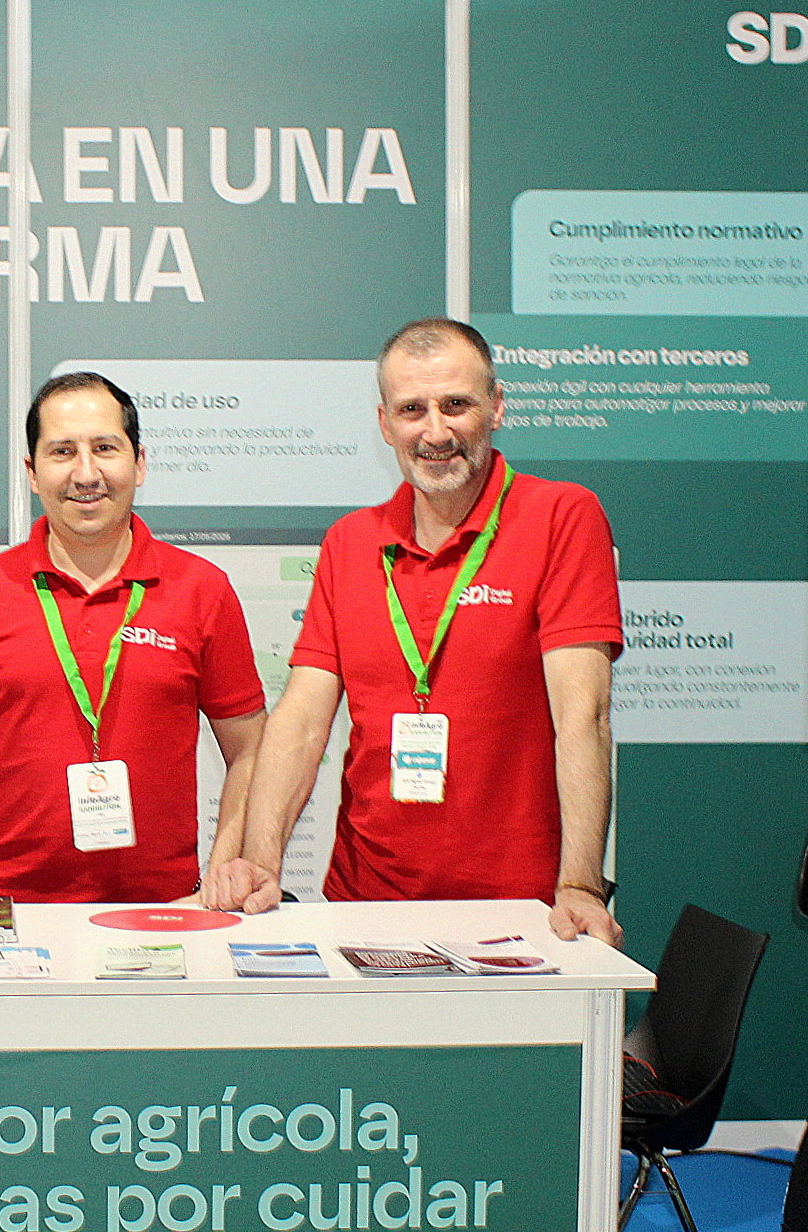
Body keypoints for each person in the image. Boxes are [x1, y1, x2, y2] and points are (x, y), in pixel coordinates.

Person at [209, 318, 625, 944]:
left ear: (496, 407)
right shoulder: (351, 542)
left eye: (456, 405)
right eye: (412, 410)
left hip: (520, 910)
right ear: (385, 424)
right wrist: (262, 862)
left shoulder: (562, 516)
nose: (435, 432)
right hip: (363, 902)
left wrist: (581, 885)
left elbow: (583, 716)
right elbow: (301, 722)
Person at [0, 372, 267, 904]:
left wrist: (220, 877)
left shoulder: (202, 589)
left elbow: (252, 750)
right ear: (32, 473)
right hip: (7, 910)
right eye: (62, 451)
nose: (85, 473)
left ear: (138, 463)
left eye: (104, 448)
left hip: (165, 911)